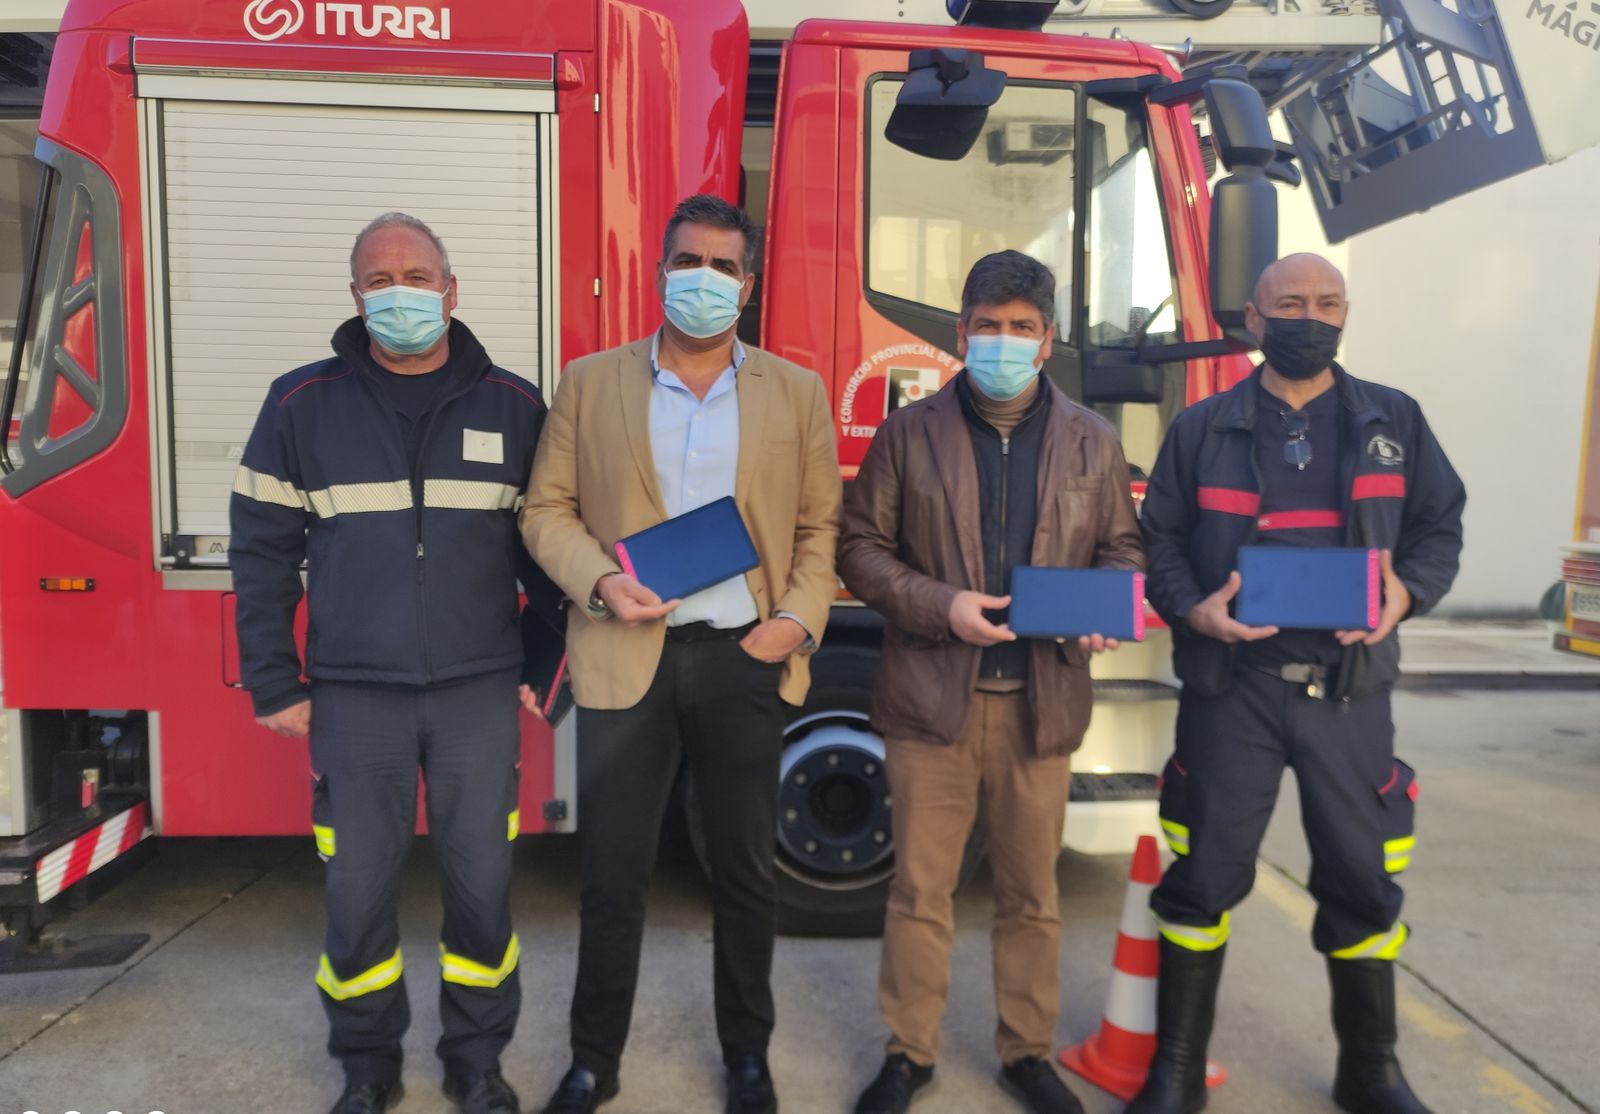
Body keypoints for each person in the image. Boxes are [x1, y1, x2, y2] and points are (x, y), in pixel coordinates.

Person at [229, 212, 564, 1114]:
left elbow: (549, 549)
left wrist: (544, 660)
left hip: (476, 692)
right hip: (356, 696)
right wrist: (274, 678)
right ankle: (368, 1063)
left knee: (481, 891)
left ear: (451, 292)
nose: (400, 294)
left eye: (417, 277)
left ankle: (476, 1061)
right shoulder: (300, 404)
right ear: (355, 296)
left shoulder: (514, 405)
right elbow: (261, 552)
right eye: (380, 281)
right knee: (357, 891)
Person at [520, 194, 841, 1114]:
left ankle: (748, 1055)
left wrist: (795, 622)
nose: (703, 279)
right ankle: (593, 1060)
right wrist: (599, 581)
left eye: (722, 266)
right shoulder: (591, 383)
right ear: (660, 273)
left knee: (744, 872)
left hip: (745, 655)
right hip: (626, 652)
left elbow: (820, 528)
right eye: (687, 262)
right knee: (612, 875)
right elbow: (545, 510)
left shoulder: (796, 391)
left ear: (748, 283)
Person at [1131, 253, 1466, 1114]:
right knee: (1202, 877)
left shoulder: (1396, 419)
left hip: (1348, 691)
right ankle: (1175, 1071)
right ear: (1254, 317)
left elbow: (1438, 527)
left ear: (1346, 313)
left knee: (1362, 879)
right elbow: (1157, 538)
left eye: (1327, 302)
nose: (1309, 317)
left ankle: (1372, 1071)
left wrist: (1408, 593)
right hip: (1232, 688)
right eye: (1289, 304)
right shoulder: (1202, 428)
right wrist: (1193, 609)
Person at [838, 250, 1145, 1114]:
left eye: (1021, 328)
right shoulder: (910, 433)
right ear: (960, 332)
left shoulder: (1092, 438)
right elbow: (860, 550)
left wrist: (1105, 607)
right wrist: (943, 604)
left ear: (1047, 341)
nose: (1002, 341)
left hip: (1041, 705)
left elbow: (1124, 550)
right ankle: (909, 1053)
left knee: (1032, 895)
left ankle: (1027, 1052)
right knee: (918, 891)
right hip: (932, 700)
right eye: (987, 326)